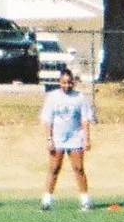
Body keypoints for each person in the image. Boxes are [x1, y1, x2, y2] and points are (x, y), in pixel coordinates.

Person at [39, 67, 95, 212]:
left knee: (79, 169)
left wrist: (86, 139)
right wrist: (49, 139)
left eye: (69, 83)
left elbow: (85, 120)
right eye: (64, 83)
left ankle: (85, 200)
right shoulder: (52, 97)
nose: (67, 86)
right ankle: (47, 201)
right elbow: (47, 119)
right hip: (57, 139)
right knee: (54, 168)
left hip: (75, 138)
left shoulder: (80, 98)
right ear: (59, 82)